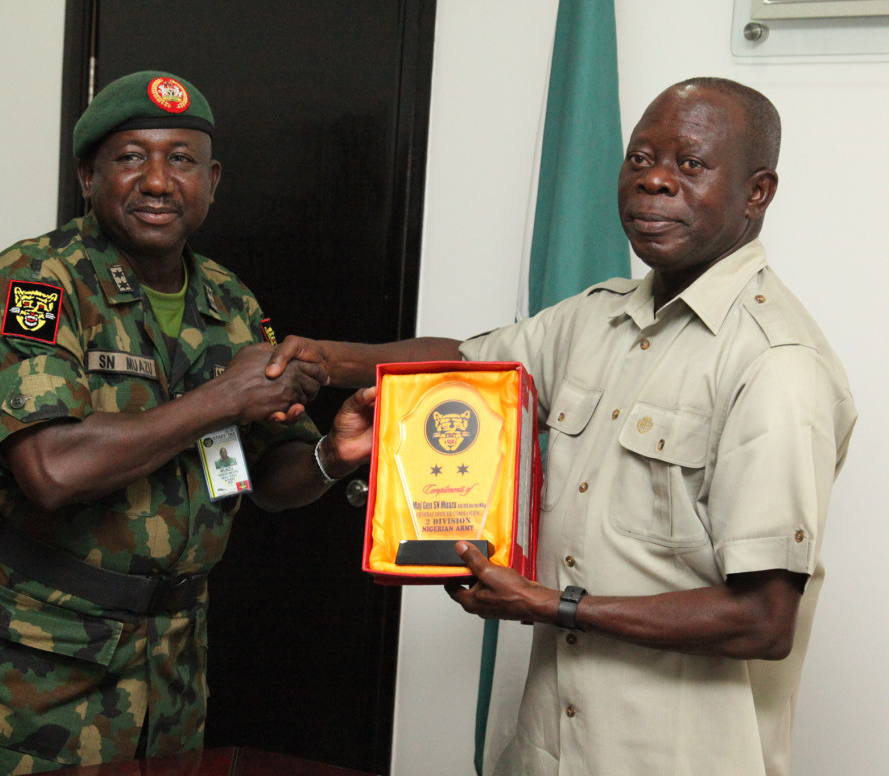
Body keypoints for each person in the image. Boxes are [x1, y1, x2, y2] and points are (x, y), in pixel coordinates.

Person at [267, 77, 856, 775]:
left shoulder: (776, 364)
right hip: (550, 744)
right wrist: (321, 359)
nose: (655, 182)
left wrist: (554, 606)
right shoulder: (597, 316)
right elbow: (463, 366)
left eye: (690, 165)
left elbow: (763, 619)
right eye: (640, 159)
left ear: (758, 193)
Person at [0, 71, 374, 776]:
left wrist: (333, 453)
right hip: (12, 669)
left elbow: (266, 474)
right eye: (131, 157)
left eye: (181, 158)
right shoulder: (36, 284)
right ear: (87, 175)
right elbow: (52, 469)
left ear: (213, 179)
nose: (158, 181)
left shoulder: (228, 302)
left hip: (165, 674)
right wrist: (220, 398)